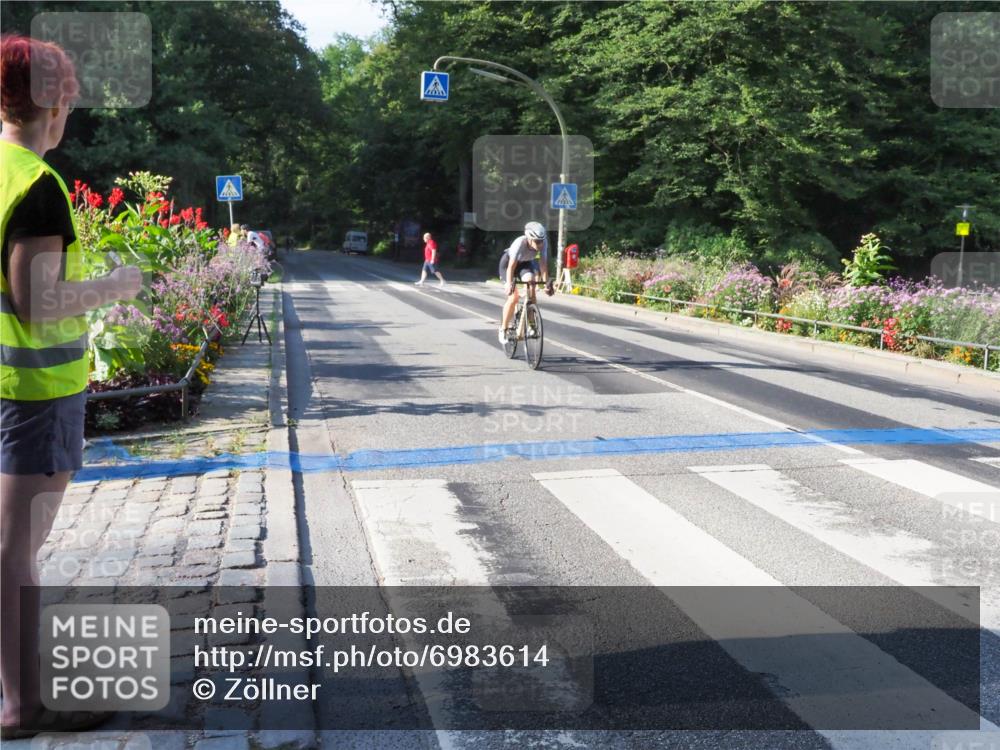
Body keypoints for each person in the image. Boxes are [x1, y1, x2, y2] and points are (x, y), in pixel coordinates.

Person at [0, 34, 142, 739]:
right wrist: (116, 285)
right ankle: (23, 705)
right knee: (14, 552)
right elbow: (38, 302)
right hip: (32, 396)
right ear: (54, 106)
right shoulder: (36, 183)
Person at [498, 221, 553, 343]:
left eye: (541, 241)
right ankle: (503, 329)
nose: (540, 244)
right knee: (513, 297)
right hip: (508, 265)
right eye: (537, 241)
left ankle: (532, 324)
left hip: (525, 264)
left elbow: (543, 264)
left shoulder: (543, 243)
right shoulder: (519, 243)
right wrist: (509, 284)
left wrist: (546, 283)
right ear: (529, 238)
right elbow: (511, 267)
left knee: (531, 286)